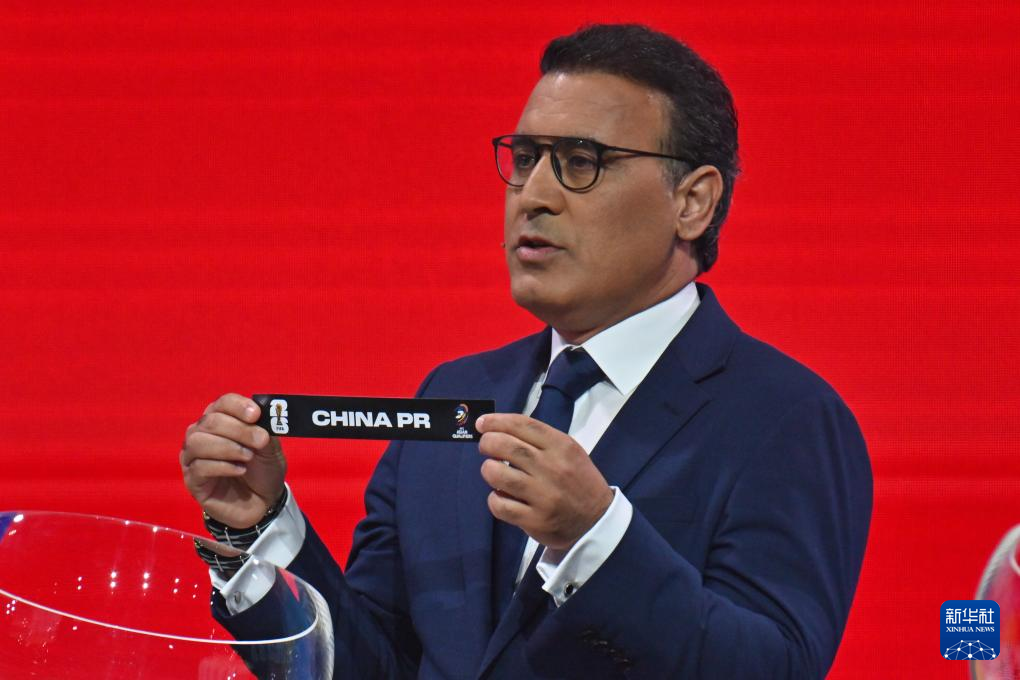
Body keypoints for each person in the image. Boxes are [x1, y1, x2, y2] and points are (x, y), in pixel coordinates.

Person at [179, 23, 872, 679]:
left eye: (581, 163)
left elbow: (774, 667)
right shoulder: (452, 395)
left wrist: (596, 538)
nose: (533, 195)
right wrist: (259, 529)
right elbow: (371, 665)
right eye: (526, 159)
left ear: (692, 202)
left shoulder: (787, 418)